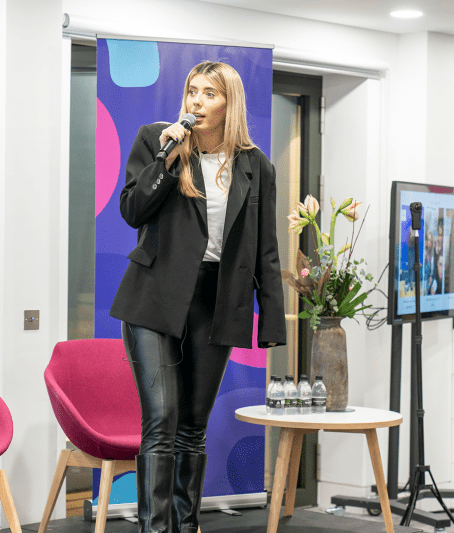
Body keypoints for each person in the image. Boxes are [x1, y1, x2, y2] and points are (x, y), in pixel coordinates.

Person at [109, 61, 287, 533]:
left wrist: (270, 321)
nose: (197, 101)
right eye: (192, 92)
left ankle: (185, 526)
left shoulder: (255, 165)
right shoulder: (157, 140)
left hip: (216, 299)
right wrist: (167, 159)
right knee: (162, 417)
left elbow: (265, 248)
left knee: (192, 422)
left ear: (229, 103)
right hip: (154, 298)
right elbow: (132, 209)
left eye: (209, 94)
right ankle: (154, 527)